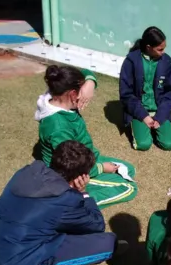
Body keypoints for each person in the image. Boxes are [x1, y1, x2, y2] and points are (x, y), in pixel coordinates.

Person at [0, 141, 126, 265]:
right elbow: (97, 225)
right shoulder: (65, 199)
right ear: (80, 177)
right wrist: (83, 193)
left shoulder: (25, 172)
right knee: (108, 243)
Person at [36, 65, 137, 209]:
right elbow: (71, 165)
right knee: (130, 189)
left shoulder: (58, 95)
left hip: (86, 157)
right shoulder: (58, 128)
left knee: (128, 169)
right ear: (72, 94)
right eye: (81, 94)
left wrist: (90, 82)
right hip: (70, 173)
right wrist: (101, 168)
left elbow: (85, 73)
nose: (86, 98)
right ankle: (77, 202)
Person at [119, 26, 171, 151]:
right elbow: (126, 94)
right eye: (160, 49)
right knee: (143, 144)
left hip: (159, 110)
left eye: (164, 48)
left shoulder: (167, 62)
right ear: (148, 47)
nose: (163, 52)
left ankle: (157, 126)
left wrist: (160, 117)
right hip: (139, 110)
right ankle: (139, 125)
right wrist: (144, 116)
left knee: (169, 145)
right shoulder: (131, 61)